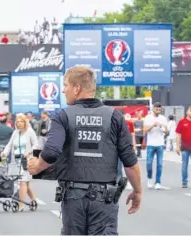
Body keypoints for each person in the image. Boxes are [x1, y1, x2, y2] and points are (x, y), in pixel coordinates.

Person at [27, 66, 142, 235]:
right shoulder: (114, 116)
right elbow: (130, 163)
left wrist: (37, 166)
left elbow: (51, 151)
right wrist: (137, 191)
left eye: (65, 85)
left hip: (73, 197)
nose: (64, 90)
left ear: (77, 88)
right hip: (105, 198)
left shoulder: (62, 116)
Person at [1, 114, 38, 211]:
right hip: (16, 160)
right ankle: (34, 200)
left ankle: (20, 204)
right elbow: (9, 144)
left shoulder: (30, 132)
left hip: (27, 161)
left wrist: (29, 152)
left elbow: (36, 145)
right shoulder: (15, 132)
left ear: (25, 122)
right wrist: (4, 152)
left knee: (22, 181)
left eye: (21, 122)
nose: (20, 124)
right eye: (18, 122)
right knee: (26, 184)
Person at [143, 102, 168, 190]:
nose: (158, 111)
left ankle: (158, 182)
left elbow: (166, 130)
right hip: (151, 144)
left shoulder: (163, 118)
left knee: (160, 164)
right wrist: (153, 125)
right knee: (149, 163)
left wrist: (161, 126)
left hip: (160, 144)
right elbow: (145, 130)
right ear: (153, 109)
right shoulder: (148, 118)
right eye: (156, 109)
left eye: (159, 109)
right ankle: (149, 178)